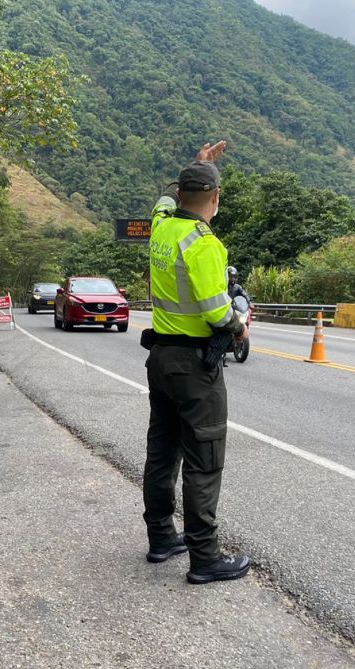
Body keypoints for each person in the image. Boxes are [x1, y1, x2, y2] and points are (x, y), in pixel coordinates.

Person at [141, 140, 250, 585]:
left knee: (162, 452)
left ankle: (162, 537)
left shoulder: (161, 227)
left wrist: (199, 165)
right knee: (204, 459)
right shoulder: (204, 244)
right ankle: (205, 558)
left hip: (161, 359)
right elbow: (216, 312)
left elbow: (163, 202)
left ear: (180, 194)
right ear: (216, 198)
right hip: (193, 368)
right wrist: (240, 323)